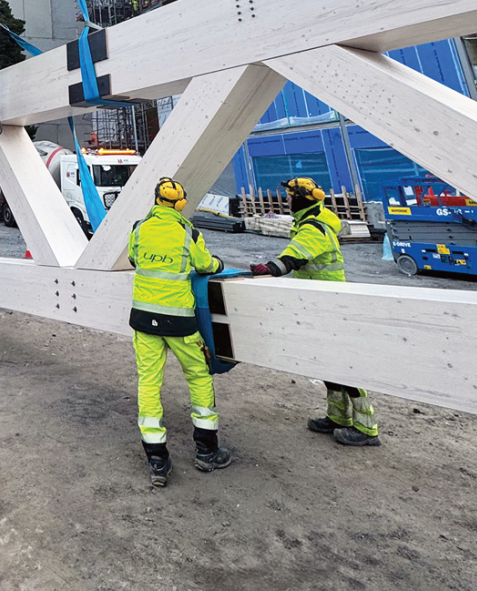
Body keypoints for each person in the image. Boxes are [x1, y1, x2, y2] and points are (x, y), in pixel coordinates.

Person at [250, 177, 380, 448]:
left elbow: (295, 256)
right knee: (326, 360)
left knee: (344, 363)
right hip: (317, 300)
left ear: (299, 198)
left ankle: (367, 429)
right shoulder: (310, 220)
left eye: (288, 195)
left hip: (330, 303)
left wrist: (269, 268)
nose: (286, 200)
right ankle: (338, 417)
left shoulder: (314, 227)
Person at [128, 176, 232, 486]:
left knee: (148, 383)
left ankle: (157, 459)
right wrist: (218, 263)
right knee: (199, 377)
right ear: (181, 204)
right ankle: (206, 451)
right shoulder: (189, 233)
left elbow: (134, 259)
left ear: (156, 200)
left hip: (144, 321)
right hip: (181, 324)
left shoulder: (139, 229)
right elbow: (204, 265)